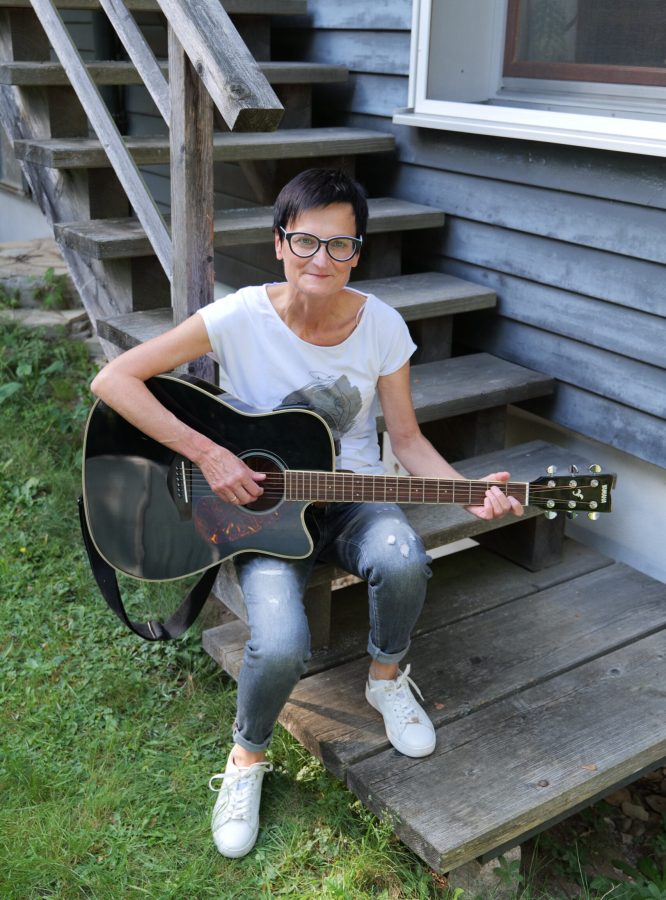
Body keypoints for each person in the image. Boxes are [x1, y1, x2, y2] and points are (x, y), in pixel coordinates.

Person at [90, 167, 523, 859]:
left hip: (354, 502)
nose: (321, 260)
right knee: (283, 643)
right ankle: (246, 758)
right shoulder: (238, 317)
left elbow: (406, 440)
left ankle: (385, 680)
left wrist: (467, 492)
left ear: (359, 251)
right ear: (278, 244)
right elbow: (113, 379)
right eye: (305, 241)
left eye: (341, 246)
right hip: (261, 512)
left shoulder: (380, 325)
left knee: (403, 557)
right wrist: (208, 455)